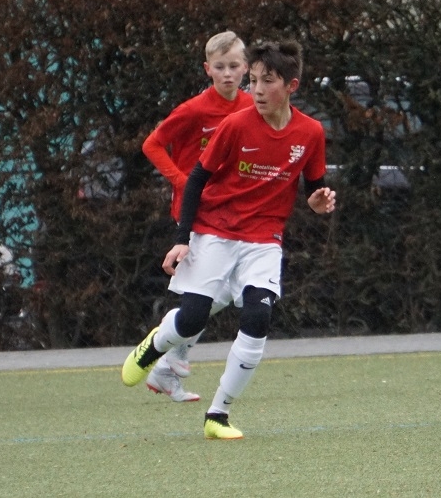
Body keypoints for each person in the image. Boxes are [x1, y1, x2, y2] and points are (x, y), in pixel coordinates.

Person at [121, 40, 337, 439]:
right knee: (193, 318)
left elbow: (315, 186)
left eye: (267, 81)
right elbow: (197, 180)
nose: (256, 90)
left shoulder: (310, 132)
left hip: (265, 239)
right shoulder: (236, 124)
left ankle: (217, 414)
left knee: (258, 318)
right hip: (215, 230)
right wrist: (182, 238)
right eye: (252, 80)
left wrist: (319, 201)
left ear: (291, 86)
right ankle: (156, 346)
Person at [139, 31, 251, 403]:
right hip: (197, 215)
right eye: (220, 67)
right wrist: (182, 181)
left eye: (233, 66)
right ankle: (169, 353)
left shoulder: (251, 107)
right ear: (207, 69)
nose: (227, 73)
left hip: (232, 213)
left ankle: (170, 359)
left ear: (245, 68)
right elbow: (152, 144)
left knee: (226, 291)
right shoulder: (194, 109)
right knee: (208, 293)